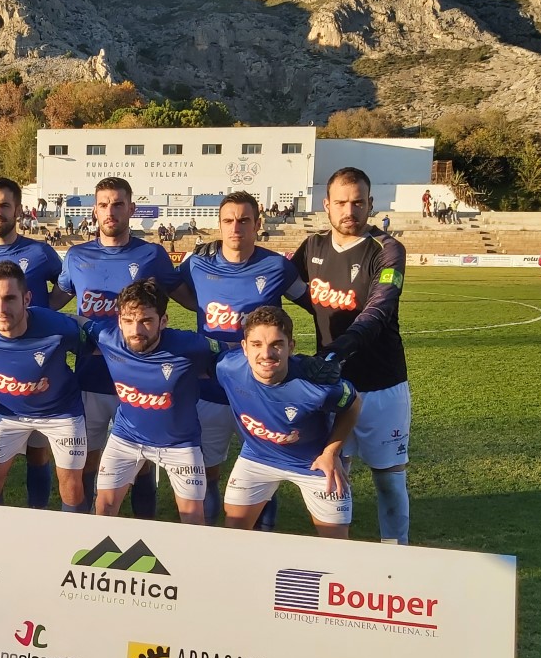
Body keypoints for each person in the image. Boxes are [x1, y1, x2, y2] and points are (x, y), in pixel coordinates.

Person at [50, 176, 194, 517]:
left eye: (117, 204)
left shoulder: (152, 255)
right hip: (91, 377)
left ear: (131, 208)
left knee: (142, 462)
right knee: (88, 458)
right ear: (94, 210)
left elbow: (188, 299)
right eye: (103, 205)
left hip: (141, 380)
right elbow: (54, 302)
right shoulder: (77, 256)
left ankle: (144, 526)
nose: (110, 211)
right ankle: (86, 529)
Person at [290, 167, 411, 545]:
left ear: (370, 203)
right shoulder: (312, 247)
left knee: (388, 480)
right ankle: (339, 553)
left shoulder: (387, 249)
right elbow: (278, 283)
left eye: (358, 202)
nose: (349, 211)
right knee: (332, 475)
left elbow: (378, 310)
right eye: (341, 202)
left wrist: (337, 349)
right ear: (326, 204)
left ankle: (395, 553)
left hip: (382, 385)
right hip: (333, 385)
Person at [180, 190, 310, 526]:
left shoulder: (277, 267)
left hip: (262, 389)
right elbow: (167, 288)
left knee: (265, 472)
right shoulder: (196, 264)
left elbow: (313, 304)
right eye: (228, 220)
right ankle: (208, 539)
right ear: (219, 225)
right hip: (211, 385)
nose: (235, 227)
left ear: (257, 223)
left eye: (243, 220)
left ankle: (263, 542)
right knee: (207, 472)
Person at [0, 177, 64, 506]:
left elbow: (65, 287)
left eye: (4, 205)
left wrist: (43, 313)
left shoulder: (40, 253)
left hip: (36, 368)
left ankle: (38, 515)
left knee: (37, 451)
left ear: (18, 209)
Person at [216, 306, 361, 538]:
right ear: (244, 347)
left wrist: (331, 453)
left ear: (291, 347)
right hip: (258, 456)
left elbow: (353, 404)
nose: (266, 354)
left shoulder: (317, 385)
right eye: (256, 344)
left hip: (313, 463)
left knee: (336, 544)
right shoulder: (227, 369)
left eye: (276, 344)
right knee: (234, 533)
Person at [89, 280, 222, 525]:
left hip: (180, 444)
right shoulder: (107, 337)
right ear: (119, 321)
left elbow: (233, 356)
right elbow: (73, 326)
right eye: (128, 321)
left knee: (193, 519)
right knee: (103, 508)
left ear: (163, 321)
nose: (136, 329)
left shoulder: (190, 346)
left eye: (146, 321)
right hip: (126, 437)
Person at [0, 261, 87, 512]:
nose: (1, 308)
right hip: (10, 412)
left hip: (61, 413)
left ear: (26, 299)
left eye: (10, 298)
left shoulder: (58, 327)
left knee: (72, 487)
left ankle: (70, 532)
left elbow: (97, 343)